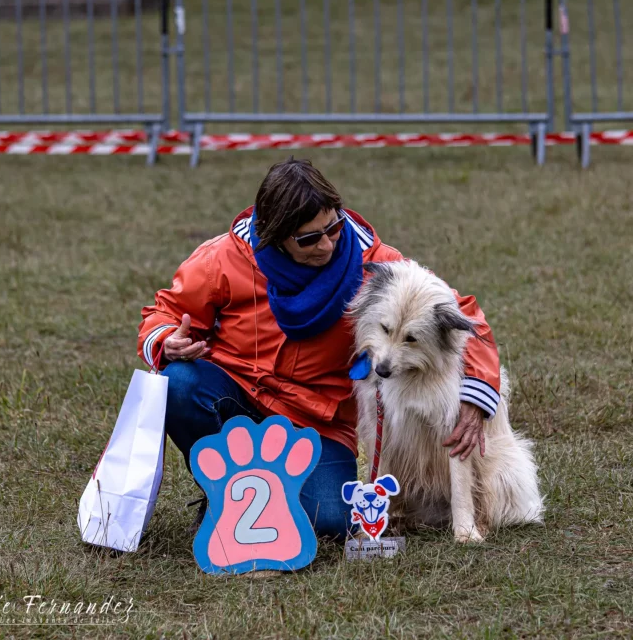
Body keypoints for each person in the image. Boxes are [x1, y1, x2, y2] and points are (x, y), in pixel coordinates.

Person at [138, 158, 500, 540]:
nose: (327, 243)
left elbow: (465, 318)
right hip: (235, 393)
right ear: (274, 235)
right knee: (178, 384)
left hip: (318, 422)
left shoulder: (375, 263)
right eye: (309, 238)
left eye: (333, 227)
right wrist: (166, 339)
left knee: (331, 520)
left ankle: (263, 500)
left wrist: (475, 397)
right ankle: (224, 495)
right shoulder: (222, 258)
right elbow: (165, 312)